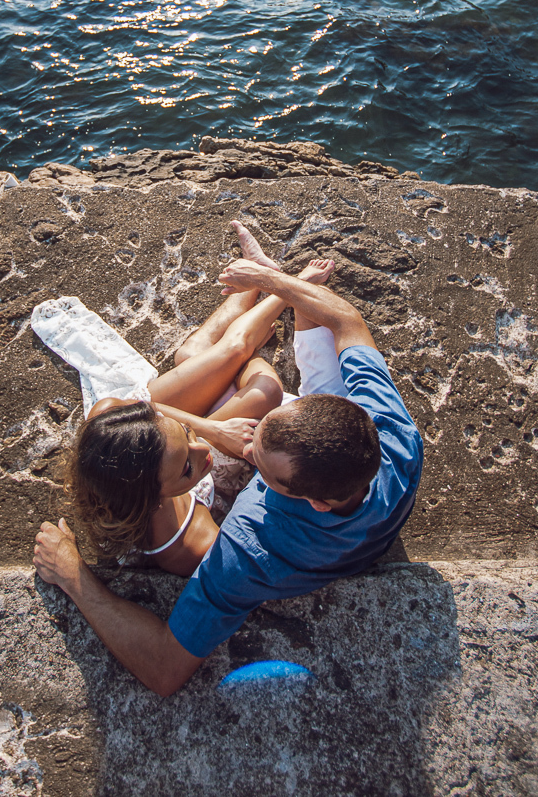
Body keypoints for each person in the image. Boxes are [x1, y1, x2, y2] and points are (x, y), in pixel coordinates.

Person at [33, 222, 423, 697]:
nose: (243, 447)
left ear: (312, 501)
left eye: (262, 462)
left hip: (285, 528)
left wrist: (73, 576)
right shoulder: (396, 438)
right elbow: (350, 323)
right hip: (356, 509)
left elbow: (164, 669)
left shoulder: (248, 549)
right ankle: (265, 287)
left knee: (206, 356)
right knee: (258, 350)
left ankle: (251, 309)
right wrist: (281, 287)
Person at [70, 253, 335, 575]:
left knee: (227, 353)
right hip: (192, 483)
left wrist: (208, 430)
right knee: (258, 386)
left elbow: (127, 406)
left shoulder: (106, 434)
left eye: (185, 438)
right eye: (186, 467)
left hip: (179, 438)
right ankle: (272, 285)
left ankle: (281, 285)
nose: (202, 453)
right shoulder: (190, 545)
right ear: (153, 499)